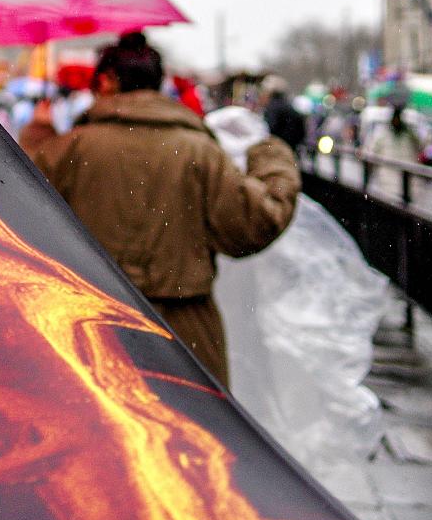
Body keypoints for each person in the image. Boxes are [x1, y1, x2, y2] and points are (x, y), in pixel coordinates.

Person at [30, 31, 300, 386]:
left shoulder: (70, 149)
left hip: (92, 330)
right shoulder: (198, 149)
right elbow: (254, 225)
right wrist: (272, 156)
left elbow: (20, 218)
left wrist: (37, 136)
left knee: (102, 433)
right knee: (187, 434)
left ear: (109, 81)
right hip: (185, 339)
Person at [262, 73, 307, 151]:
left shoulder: (273, 107)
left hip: (279, 149)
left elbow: (271, 128)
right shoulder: (288, 105)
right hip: (291, 148)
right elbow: (301, 131)